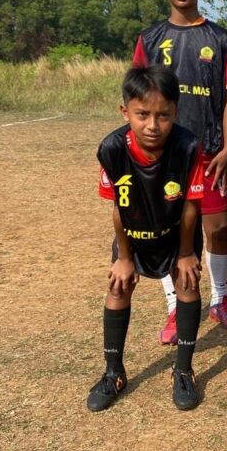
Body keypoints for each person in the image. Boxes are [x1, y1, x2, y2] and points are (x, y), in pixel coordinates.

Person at [132, 0, 227, 345]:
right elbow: (137, 98)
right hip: (164, 155)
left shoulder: (220, 38)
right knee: (167, 229)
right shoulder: (149, 39)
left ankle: (220, 298)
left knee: (218, 226)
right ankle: (174, 306)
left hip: (208, 153)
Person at [87, 66, 204, 413]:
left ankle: (183, 371)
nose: (153, 125)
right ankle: (113, 372)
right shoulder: (111, 149)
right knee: (118, 287)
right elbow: (117, 209)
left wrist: (186, 253)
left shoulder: (188, 147)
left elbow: (191, 206)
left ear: (175, 113)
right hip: (133, 233)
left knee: (187, 284)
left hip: (177, 232)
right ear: (126, 112)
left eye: (163, 115)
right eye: (142, 115)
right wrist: (124, 258)